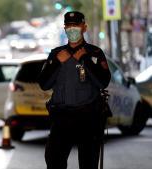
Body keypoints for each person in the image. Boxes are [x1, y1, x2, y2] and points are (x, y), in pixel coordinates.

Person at [37, 11, 111, 169]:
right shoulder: (56, 54)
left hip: (88, 119)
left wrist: (84, 59)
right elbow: (44, 84)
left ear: (84, 27)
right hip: (62, 119)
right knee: (53, 160)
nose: (72, 29)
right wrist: (57, 63)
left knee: (88, 164)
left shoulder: (95, 53)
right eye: (69, 26)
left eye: (76, 25)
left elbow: (102, 82)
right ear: (64, 28)